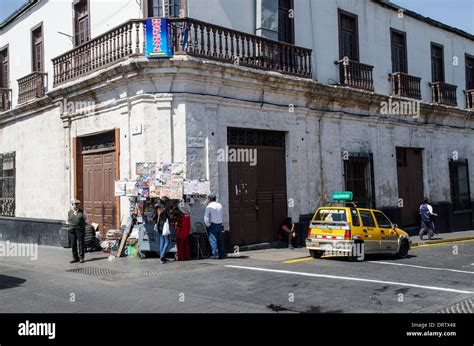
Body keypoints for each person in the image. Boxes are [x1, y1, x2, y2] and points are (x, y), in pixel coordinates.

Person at [204, 193, 225, 259]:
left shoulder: (209, 206)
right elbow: (222, 214)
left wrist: (208, 225)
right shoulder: (220, 205)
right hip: (219, 223)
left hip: (212, 224)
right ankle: (221, 254)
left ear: (209, 199)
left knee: (213, 240)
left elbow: (206, 218)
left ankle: (215, 254)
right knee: (220, 240)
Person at [68, 199, 89, 263]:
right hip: (72, 230)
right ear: (72, 205)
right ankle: (75, 258)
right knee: (73, 244)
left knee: (81, 243)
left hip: (80, 230)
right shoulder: (69, 212)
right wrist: (71, 225)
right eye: (74, 204)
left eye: (77, 204)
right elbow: (67, 221)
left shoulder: (82, 212)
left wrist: (82, 226)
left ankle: (81, 257)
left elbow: (87, 220)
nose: (76, 206)